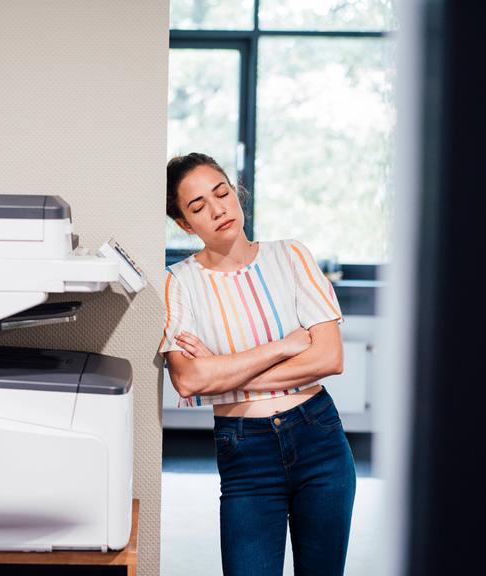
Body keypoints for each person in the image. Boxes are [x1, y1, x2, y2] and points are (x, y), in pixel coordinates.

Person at [158, 152, 357, 576]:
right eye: (197, 207)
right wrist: (282, 346)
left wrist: (224, 372)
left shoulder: (291, 255)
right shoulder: (180, 282)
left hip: (319, 437)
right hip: (245, 450)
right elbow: (190, 379)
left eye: (222, 193)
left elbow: (329, 357)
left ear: (236, 192)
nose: (217, 209)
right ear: (184, 224)